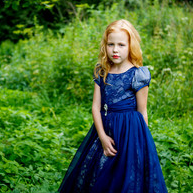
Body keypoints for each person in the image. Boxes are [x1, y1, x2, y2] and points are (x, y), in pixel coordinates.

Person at [58, 19, 167, 193]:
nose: (115, 50)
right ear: (105, 45)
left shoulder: (138, 74)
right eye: (111, 44)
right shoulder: (102, 71)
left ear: (131, 46)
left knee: (126, 173)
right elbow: (96, 107)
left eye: (121, 45)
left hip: (130, 132)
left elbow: (142, 111)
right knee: (101, 170)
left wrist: (141, 143)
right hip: (105, 128)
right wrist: (101, 136)